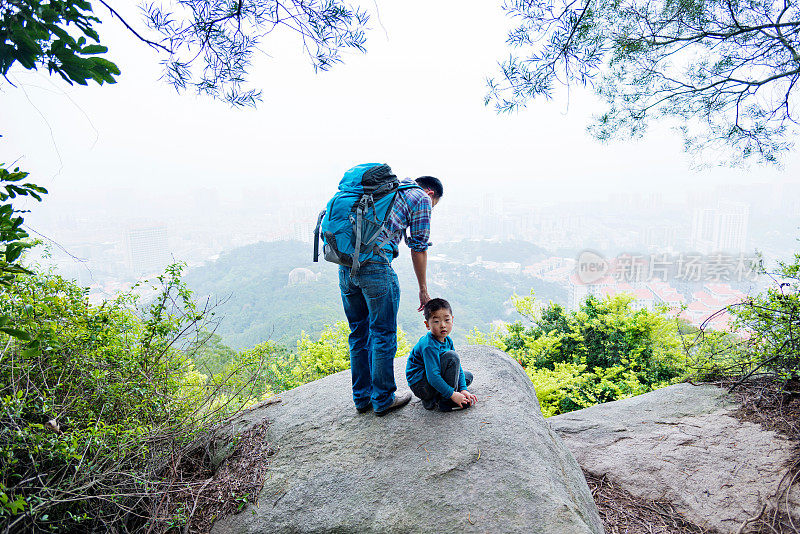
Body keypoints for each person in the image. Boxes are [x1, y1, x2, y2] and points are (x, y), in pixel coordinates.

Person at [338, 168, 444, 416]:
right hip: (374, 266)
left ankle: (361, 398)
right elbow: (418, 247)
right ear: (430, 193)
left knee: (358, 333)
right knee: (382, 333)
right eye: (433, 204)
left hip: (345, 266)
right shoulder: (420, 198)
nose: (430, 208)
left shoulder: (384, 191)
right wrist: (423, 289)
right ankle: (383, 399)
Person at [406, 298, 477, 412]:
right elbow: (433, 376)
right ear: (427, 324)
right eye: (436, 321)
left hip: (431, 379)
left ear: (452, 320)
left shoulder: (447, 340)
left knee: (467, 376)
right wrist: (453, 395)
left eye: (447, 320)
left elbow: (458, 368)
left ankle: (437, 397)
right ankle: (445, 402)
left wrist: (463, 390)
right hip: (422, 385)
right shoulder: (429, 345)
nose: (443, 325)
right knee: (452, 357)